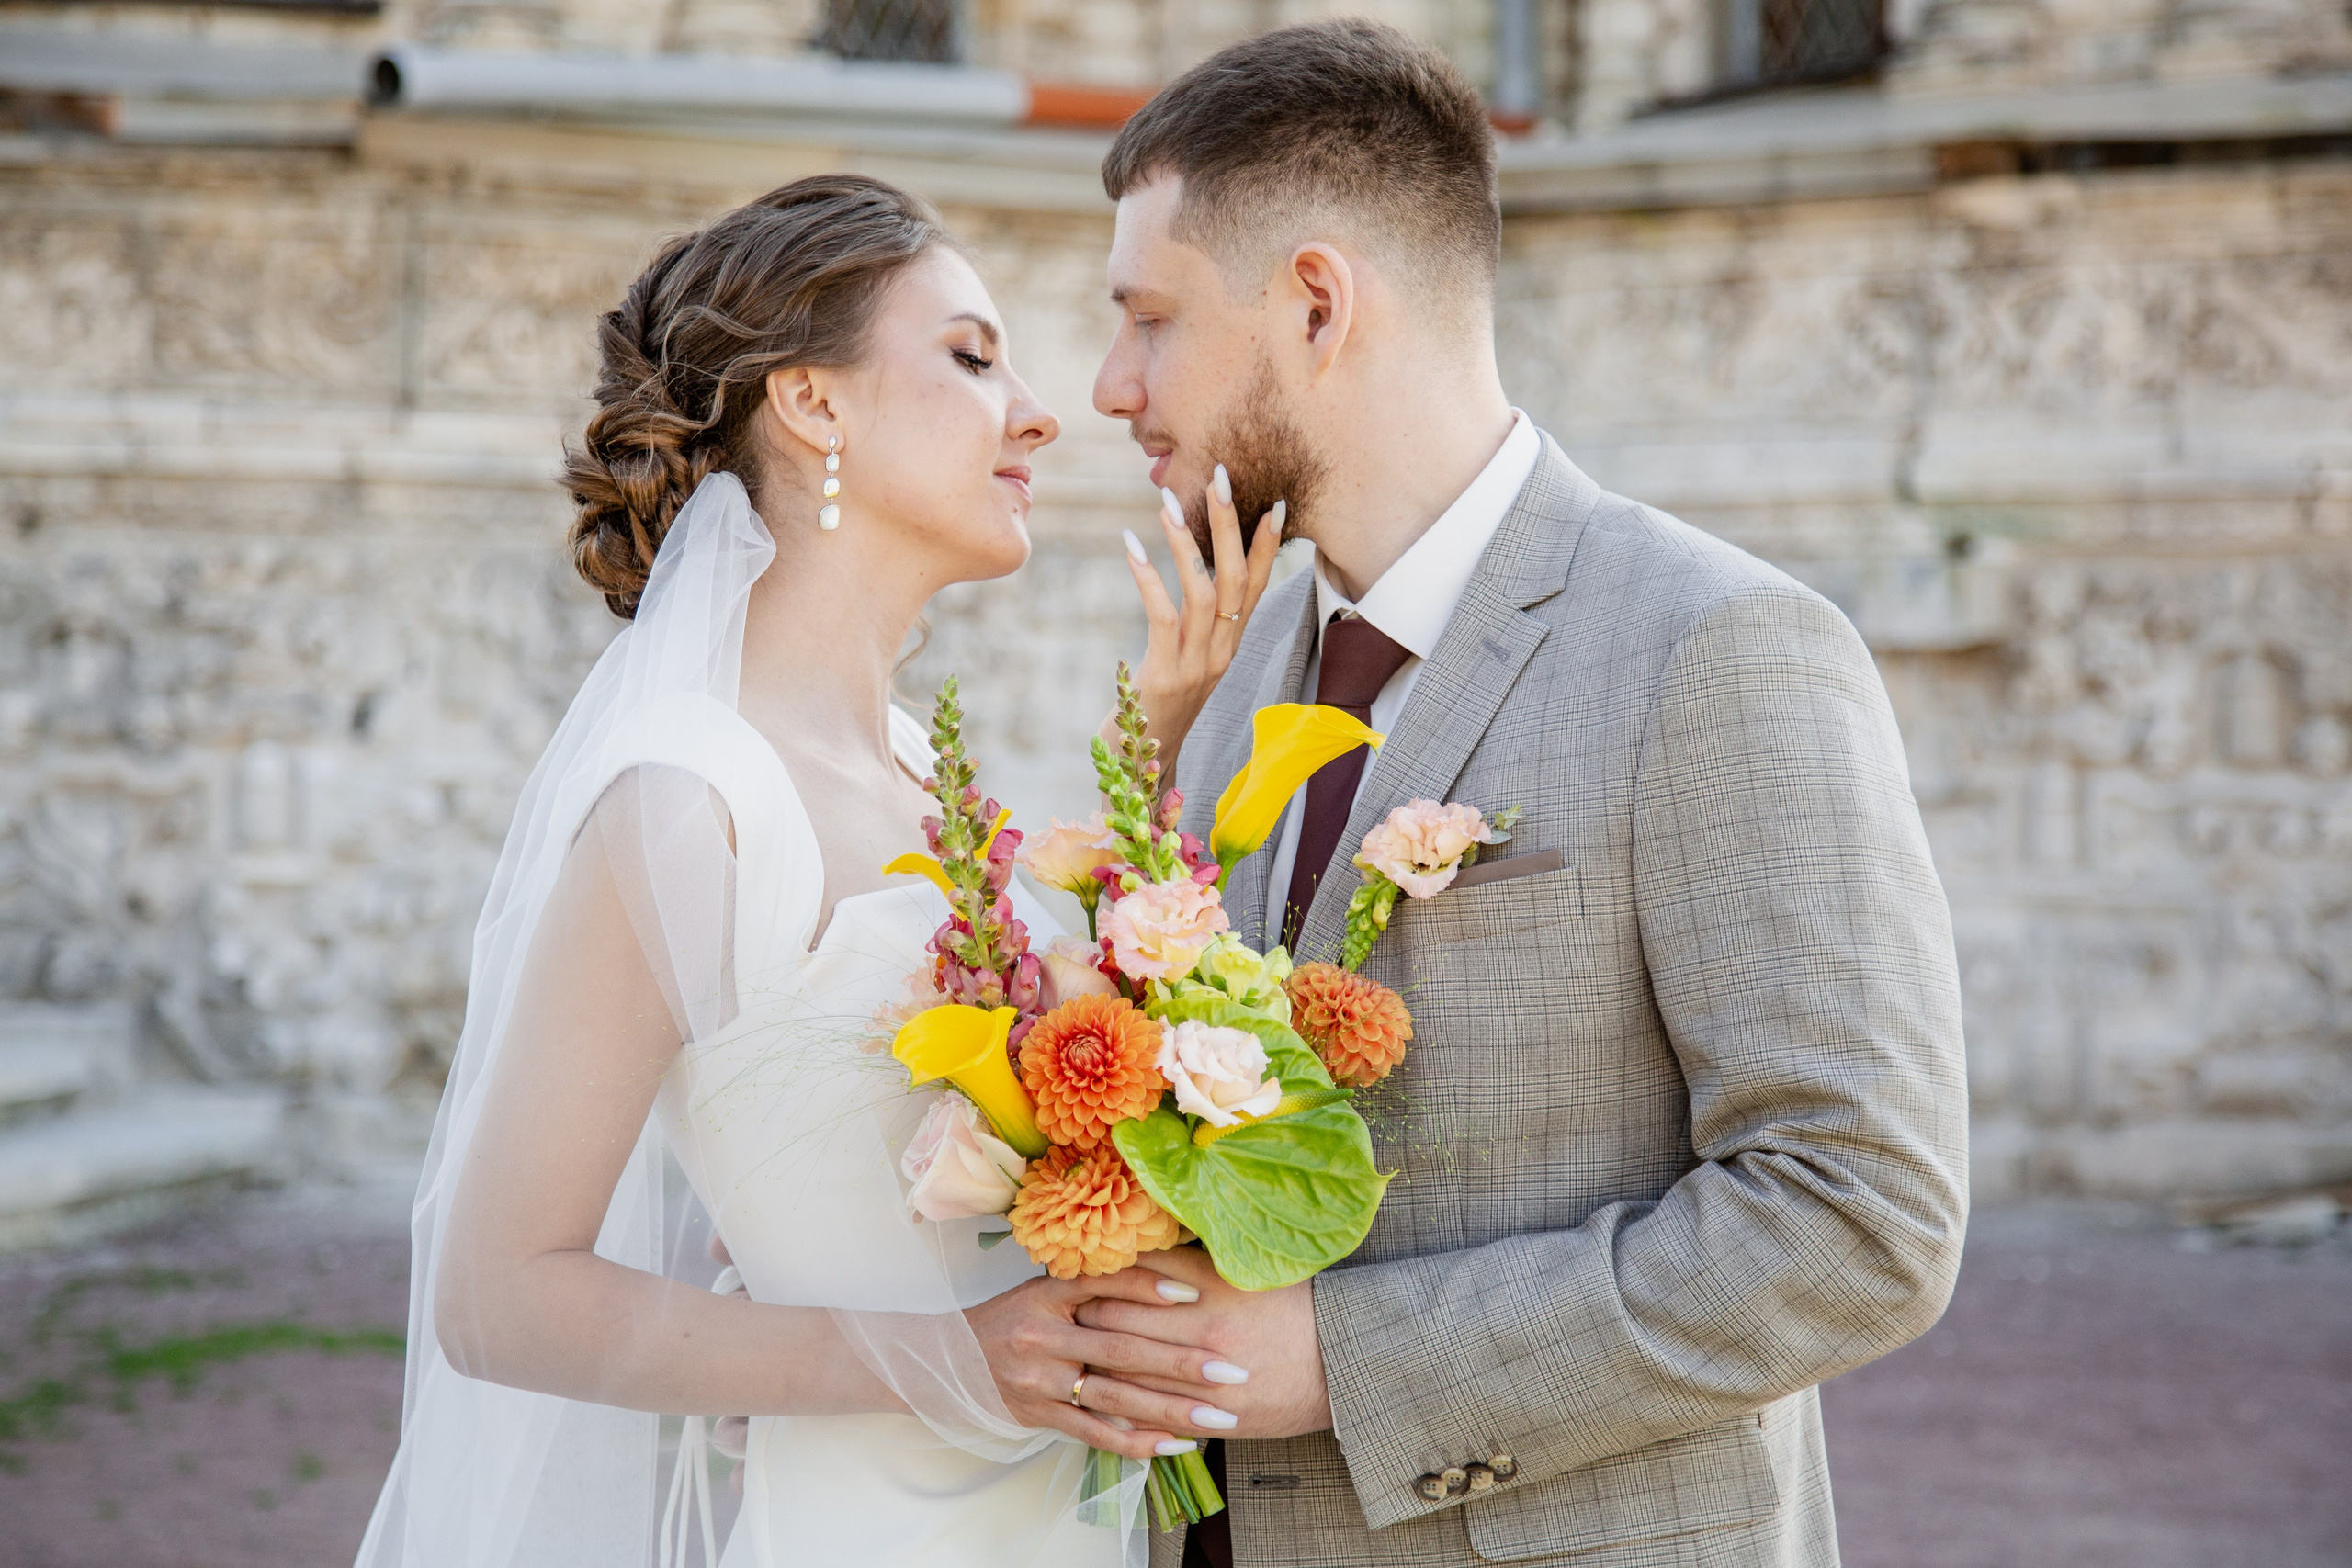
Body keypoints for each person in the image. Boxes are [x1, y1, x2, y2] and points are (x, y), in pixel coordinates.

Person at [1077, 21, 1972, 1568]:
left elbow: (1858, 1218)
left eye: (1148, 321)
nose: (1108, 387)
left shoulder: (1715, 648)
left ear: (1314, 302)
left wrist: (1347, 1364)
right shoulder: (1227, 673)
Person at [355, 174, 1284, 1568]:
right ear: (815, 403)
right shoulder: (688, 799)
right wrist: (946, 1358)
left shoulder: (925, 769)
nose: (1037, 409)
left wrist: (1154, 757)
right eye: (972, 358)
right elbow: (500, 1296)